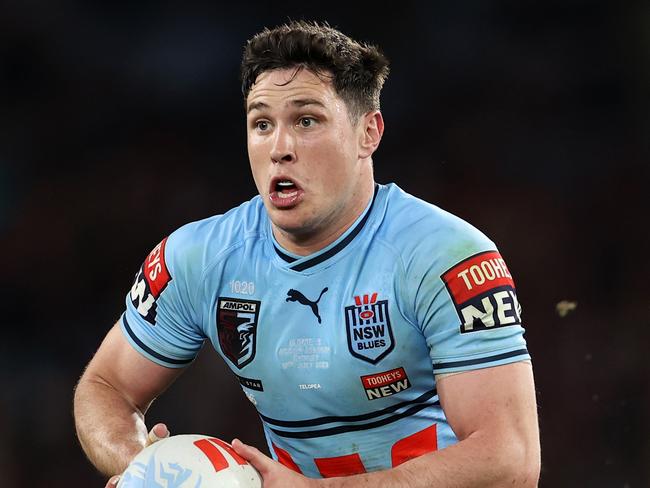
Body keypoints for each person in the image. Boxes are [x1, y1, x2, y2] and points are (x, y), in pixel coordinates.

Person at [74, 20, 541, 488]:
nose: (280, 148)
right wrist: (141, 466)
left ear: (368, 133)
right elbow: (105, 388)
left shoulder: (447, 257)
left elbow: (510, 460)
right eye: (261, 123)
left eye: (306, 120)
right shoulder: (197, 259)